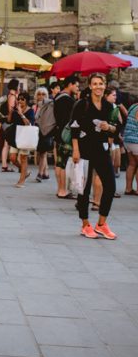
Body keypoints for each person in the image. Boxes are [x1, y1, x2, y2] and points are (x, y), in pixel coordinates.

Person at [70, 72, 118, 239]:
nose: (98, 86)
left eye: (101, 83)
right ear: (90, 86)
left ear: (105, 86)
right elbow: (74, 128)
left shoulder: (109, 106)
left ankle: (101, 224)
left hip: (102, 149)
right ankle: (85, 224)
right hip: (84, 149)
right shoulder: (82, 104)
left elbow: (117, 127)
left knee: (110, 186)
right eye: (95, 84)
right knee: (85, 188)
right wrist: (75, 150)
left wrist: (109, 128)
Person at [54, 75, 80, 199]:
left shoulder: (57, 97)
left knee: (59, 162)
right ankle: (63, 190)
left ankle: (60, 189)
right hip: (67, 134)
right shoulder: (68, 100)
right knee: (63, 163)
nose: (77, 88)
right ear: (70, 84)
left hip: (58, 133)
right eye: (76, 85)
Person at [9, 91, 35, 188]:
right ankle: (26, 172)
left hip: (25, 136)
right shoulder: (16, 109)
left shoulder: (30, 111)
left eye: (22, 99)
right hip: (15, 136)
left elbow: (29, 124)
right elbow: (9, 121)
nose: (20, 101)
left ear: (27, 101)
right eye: (19, 99)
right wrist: (11, 112)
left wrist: (21, 114)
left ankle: (21, 181)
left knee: (24, 158)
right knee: (12, 158)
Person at [34, 85, 55, 182]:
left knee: (43, 153)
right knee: (41, 153)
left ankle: (40, 173)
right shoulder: (34, 107)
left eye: (43, 94)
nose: (41, 96)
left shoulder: (49, 106)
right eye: (39, 94)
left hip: (46, 131)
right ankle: (46, 172)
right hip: (36, 131)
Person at [0, 79, 20, 172]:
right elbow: (11, 109)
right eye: (19, 85)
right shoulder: (12, 96)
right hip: (9, 122)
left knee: (7, 143)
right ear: (16, 86)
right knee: (7, 144)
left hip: (8, 122)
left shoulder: (13, 95)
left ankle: (5, 165)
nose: (20, 87)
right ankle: (5, 165)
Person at [123, 97, 138, 195]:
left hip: (127, 139)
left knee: (132, 164)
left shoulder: (133, 106)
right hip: (136, 140)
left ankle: (128, 189)